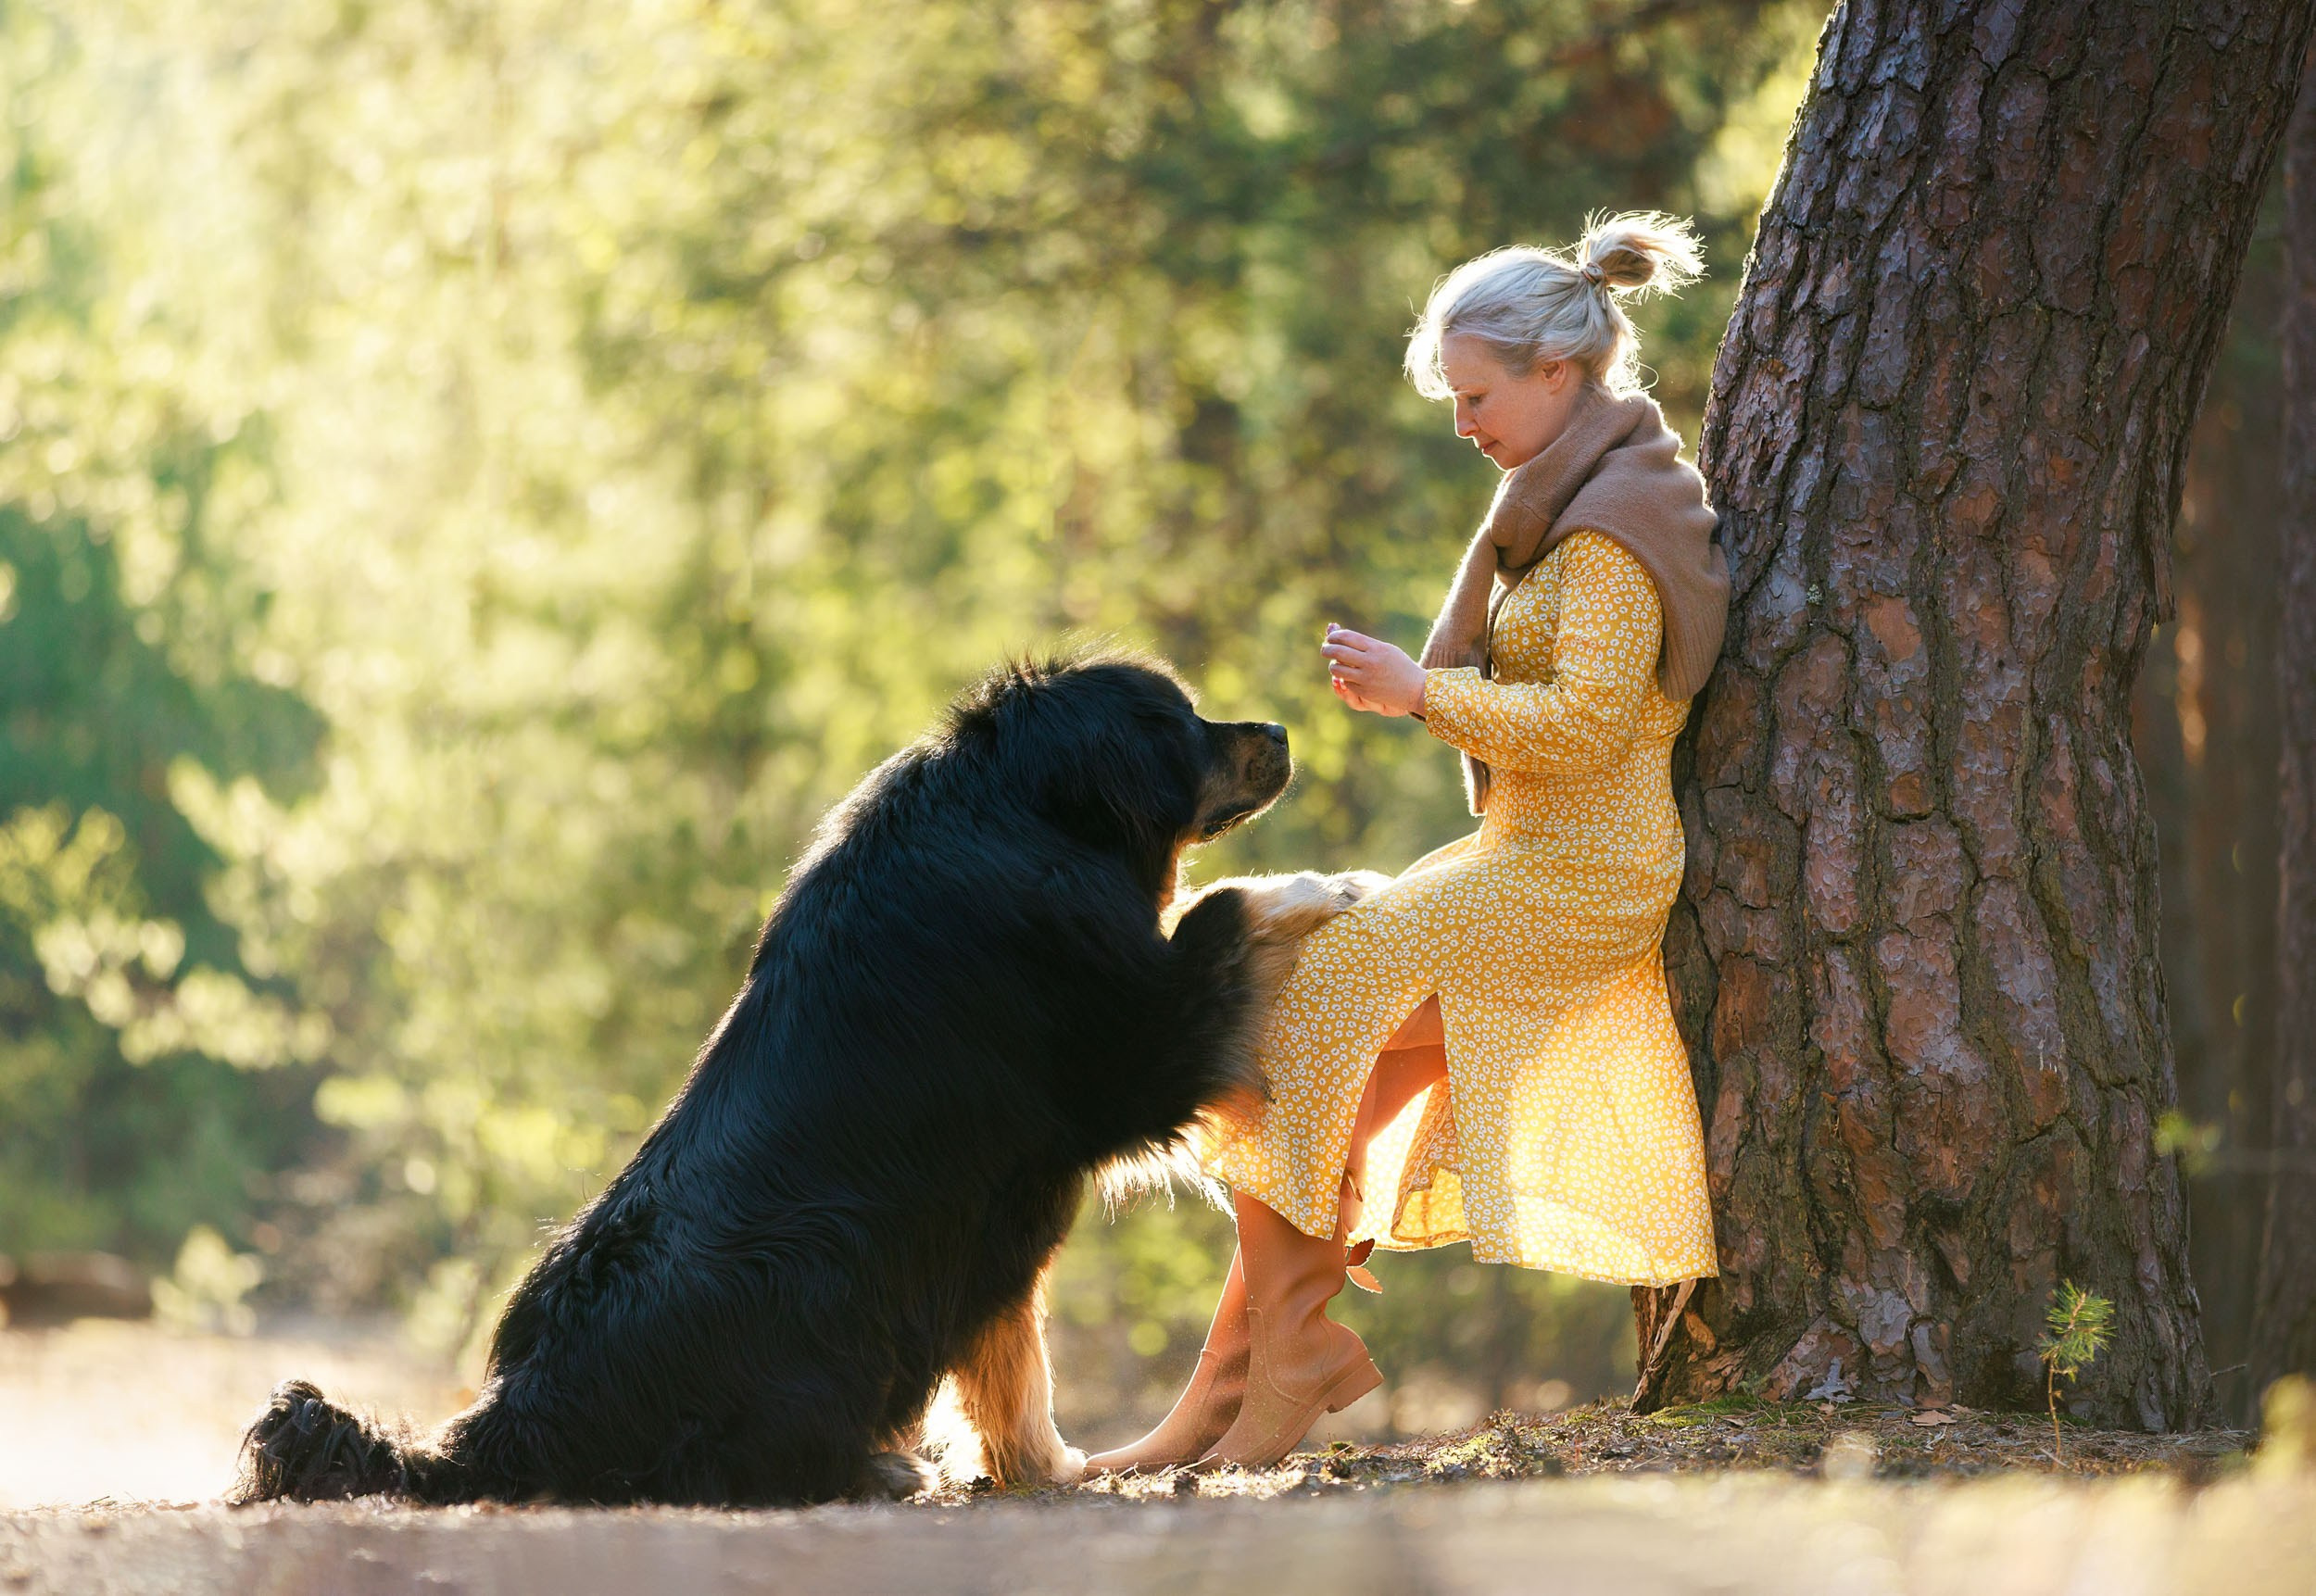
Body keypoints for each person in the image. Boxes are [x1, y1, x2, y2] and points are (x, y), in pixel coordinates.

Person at [1087, 212, 1731, 1474]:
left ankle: (1276, 1370)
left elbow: (1593, 726)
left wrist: (1420, 691)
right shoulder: (1557, 503)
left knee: (1315, 1005)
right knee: (1315, 1043)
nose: (1464, 423)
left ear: (1559, 373)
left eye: (1477, 395)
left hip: (1588, 876)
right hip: (1523, 856)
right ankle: (1233, 1385)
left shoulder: (1611, 531)